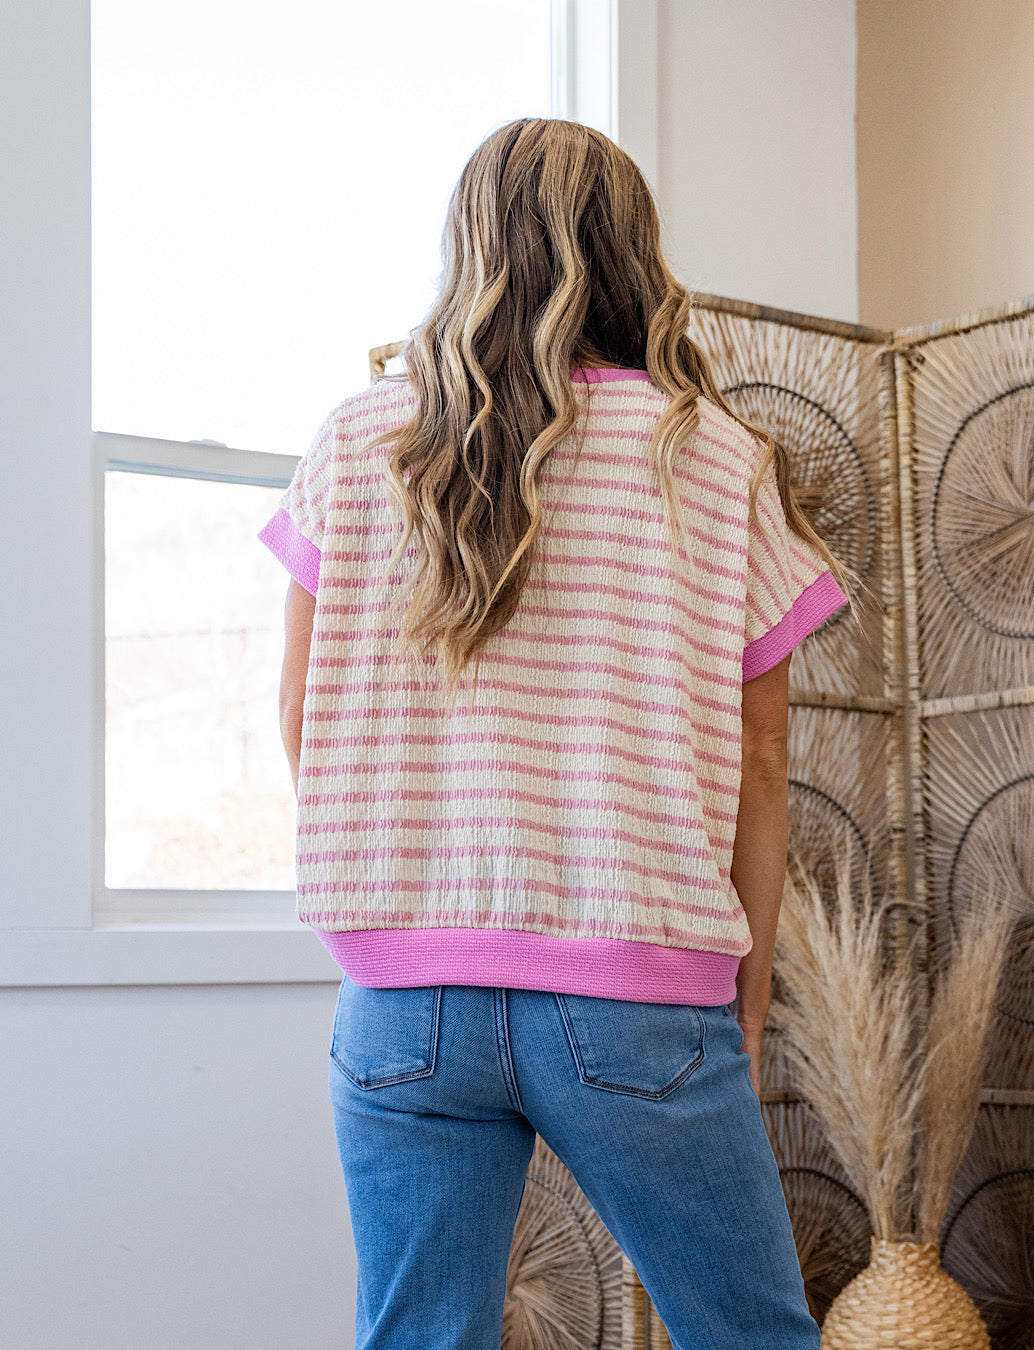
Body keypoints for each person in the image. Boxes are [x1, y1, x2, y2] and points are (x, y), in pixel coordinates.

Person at [258, 117, 857, 1350]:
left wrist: (412, 883)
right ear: (633, 253)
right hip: (638, 988)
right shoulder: (718, 460)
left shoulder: (362, 441)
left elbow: (300, 712)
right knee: (752, 1335)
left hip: (404, 1003)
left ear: (469, 245)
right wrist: (742, 998)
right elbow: (760, 763)